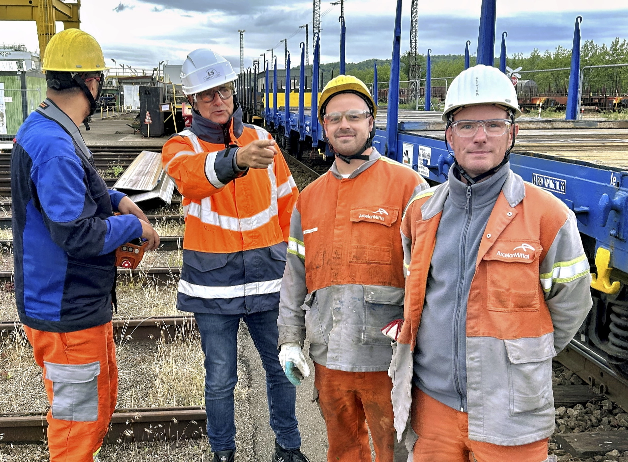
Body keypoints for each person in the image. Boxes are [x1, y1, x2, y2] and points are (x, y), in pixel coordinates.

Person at [390, 64, 593, 461]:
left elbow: (572, 305)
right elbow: (416, 296)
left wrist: (520, 363)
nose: (480, 136)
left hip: (511, 413)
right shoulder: (421, 213)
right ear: (449, 135)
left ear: (512, 133)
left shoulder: (547, 216)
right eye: (466, 125)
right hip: (433, 408)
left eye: (494, 124)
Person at [11, 29, 160, 462]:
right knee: (77, 427)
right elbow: (77, 233)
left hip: (77, 306)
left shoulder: (51, 127)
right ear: (91, 83)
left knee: (95, 408)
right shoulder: (55, 144)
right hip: (65, 311)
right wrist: (131, 229)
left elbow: (79, 196)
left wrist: (119, 200)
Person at [161, 48, 307, 462]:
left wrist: (298, 270)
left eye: (223, 89)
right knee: (221, 379)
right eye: (207, 94)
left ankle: (288, 447)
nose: (219, 100)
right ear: (192, 102)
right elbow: (193, 178)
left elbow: (289, 209)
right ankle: (223, 452)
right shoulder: (180, 145)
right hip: (212, 287)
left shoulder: (263, 140)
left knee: (283, 370)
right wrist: (236, 160)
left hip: (268, 279)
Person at [277, 75, 428, 462]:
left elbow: (432, 275)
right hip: (329, 356)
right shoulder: (308, 199)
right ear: (324, 126)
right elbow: (295, 275)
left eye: (355, 116)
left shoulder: (409, 186)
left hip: (389, 360)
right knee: (343, 450)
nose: (345, 124)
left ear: (371, 122)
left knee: (398, 451)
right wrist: (290, 339)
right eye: (335, 117)